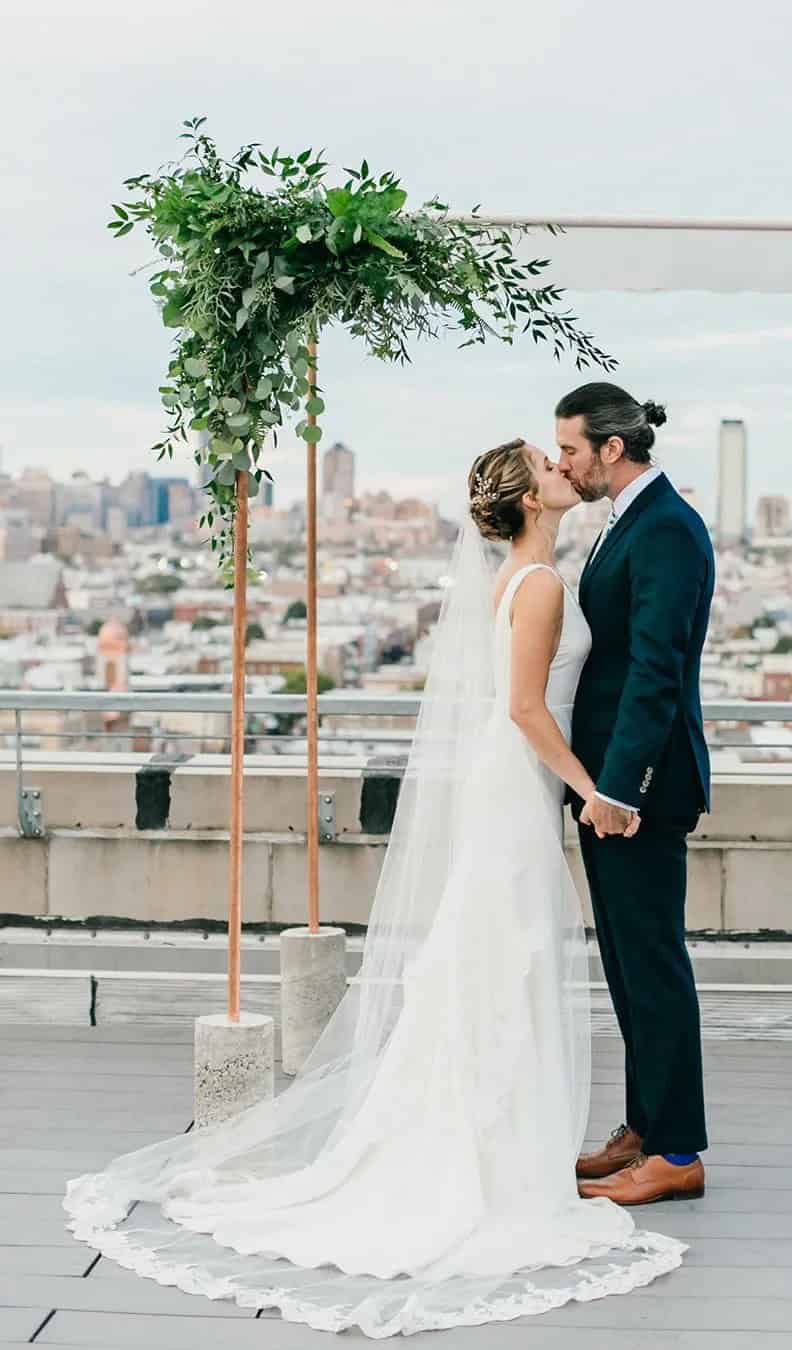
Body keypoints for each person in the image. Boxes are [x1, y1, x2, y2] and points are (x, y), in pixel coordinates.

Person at [63, 438, 684, 1338]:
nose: (564, 470)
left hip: (507, 787)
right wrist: (594, 791)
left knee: (490, 964)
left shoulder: (530, 574)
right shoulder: (541, 584)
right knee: (504, 963)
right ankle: (492, 1167)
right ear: (527, 500)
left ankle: (490, 1149)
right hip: (518, 789)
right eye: (548, 468)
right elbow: (523, 707)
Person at [556, 382, 714, 1206]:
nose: (564, 464)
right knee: (625, 962)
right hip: (607, 787)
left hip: (638, 789)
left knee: (653, 962)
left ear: (612, 449)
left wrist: (619, 788)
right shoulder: (627, 521)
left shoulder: (667, 531)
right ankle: (645, 1125)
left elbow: (655, 671)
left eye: (572, 450)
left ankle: (678, 1150)